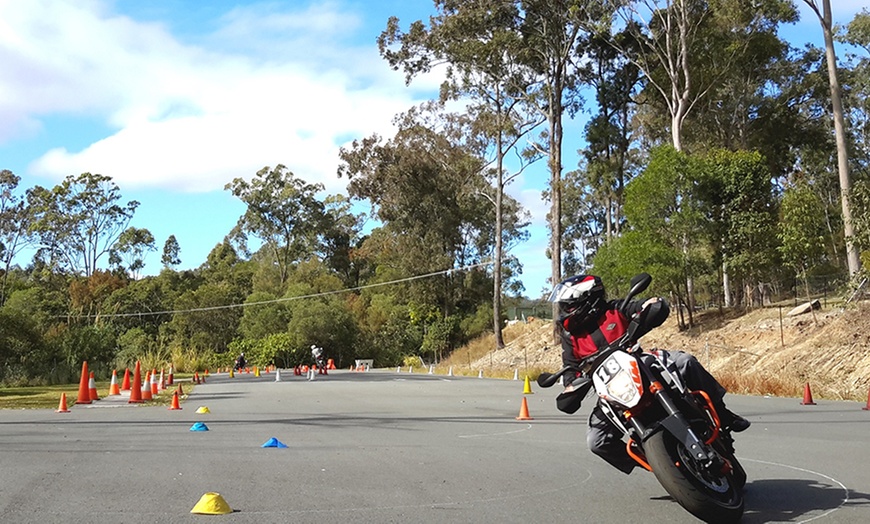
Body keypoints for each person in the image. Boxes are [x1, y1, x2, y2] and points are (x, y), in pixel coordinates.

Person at [550, 274, 750, 475]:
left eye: (569, 305)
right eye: (565, 307)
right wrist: (572, 386)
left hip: (641, 365)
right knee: (596, 441)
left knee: (685, 362)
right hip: (611, 388)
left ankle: (724, 414)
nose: (566, 311)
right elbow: (571, 367)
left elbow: (640, 306)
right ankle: (655, 461)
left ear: (586, 300)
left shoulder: (615, 309)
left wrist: (650, 305)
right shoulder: (571, 338)